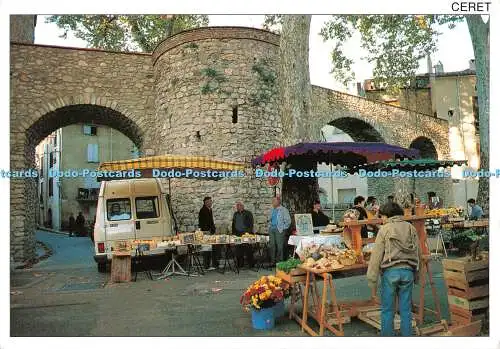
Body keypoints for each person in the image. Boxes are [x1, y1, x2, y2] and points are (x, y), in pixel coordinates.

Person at [367, 202, 423, 337]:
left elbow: (376, 256)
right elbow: (418, 252)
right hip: (408, 272)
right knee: (406, 310)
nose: (382, 219)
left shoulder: (385, 229)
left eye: (383, 216)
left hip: (390, 272)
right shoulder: (410, 227)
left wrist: (372, 279)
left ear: (387, 215)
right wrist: (417, 275)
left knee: (387, 310)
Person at [268, 197, 291, 264]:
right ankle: (272, 262)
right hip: (271, 229)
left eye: (274, 201)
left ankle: (279, 261)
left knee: (279, 246)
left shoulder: (284, 210)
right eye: (272, 201)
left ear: (278, 202)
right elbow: (270, 218)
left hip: (279, 230)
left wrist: (282, 228)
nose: (272, 202)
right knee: (272, 245)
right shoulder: (272, 210)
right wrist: (269, 225)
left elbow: (288, 221)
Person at [199, 197, 220, 270]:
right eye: (209, 201)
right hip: (206, 232)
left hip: (210, 231)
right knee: (206, 249)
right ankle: (206, 265)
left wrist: (214, 229)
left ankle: (213, 264)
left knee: (213, 248)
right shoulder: (203, 210)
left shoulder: (209, 210)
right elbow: (202, 223)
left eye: (211, 201)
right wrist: (206, 231)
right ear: (205, 202)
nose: (211, 203)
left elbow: (211, 221)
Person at [232, 201, 255, 268]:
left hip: (246, 233)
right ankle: (240, 264)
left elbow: (251, 224)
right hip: (237, 233)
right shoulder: (235, 214)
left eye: (238, 205)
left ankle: (251, 264)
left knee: (248, 249)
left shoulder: (248, 213)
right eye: (237, 206)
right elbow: (233, 224)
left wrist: (248, 232)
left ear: (242, 206)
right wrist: (233, 233)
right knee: (238, 249)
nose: (237, 207)